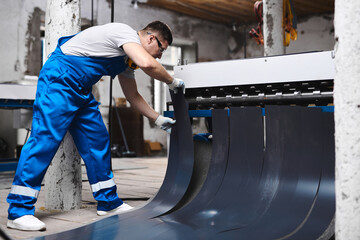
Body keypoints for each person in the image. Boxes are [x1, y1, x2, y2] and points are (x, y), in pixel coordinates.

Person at [6, 21, 185, 231]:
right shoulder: (124, 32)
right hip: (59, 81)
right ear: (150, 38)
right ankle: (18, 211)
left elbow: (132, 95)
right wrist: (172, 81)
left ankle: (108, 203)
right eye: (161, 49)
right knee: (44, 140)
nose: (160, 56)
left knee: (97, 140)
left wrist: (156, 118)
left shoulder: (127, 59)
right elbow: (148, 64)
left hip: (81, 89)